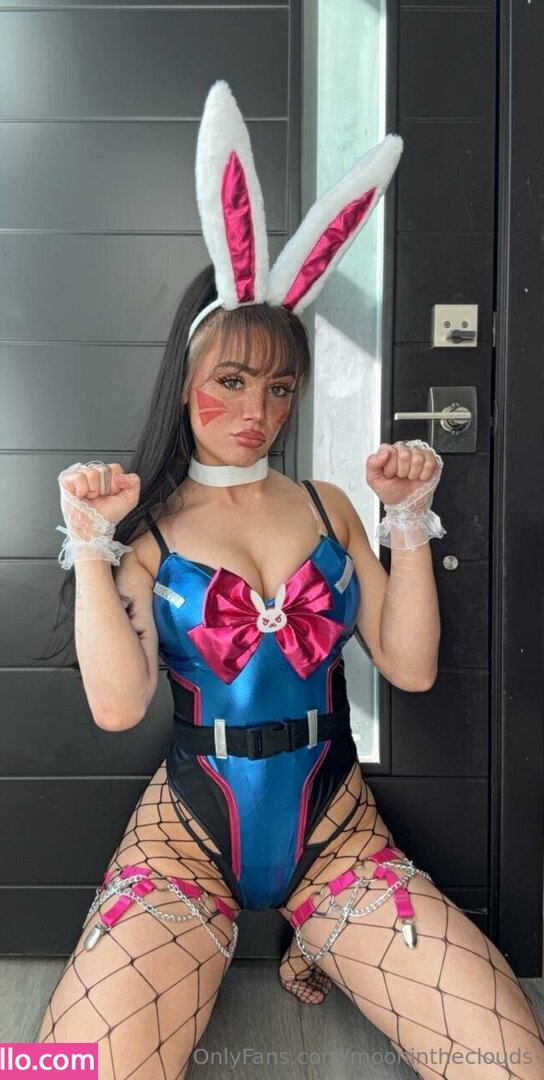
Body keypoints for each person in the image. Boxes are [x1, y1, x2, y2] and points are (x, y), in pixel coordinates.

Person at [36, 84, 544, 1078]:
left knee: (509, 1063)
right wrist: (91, 546)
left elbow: (407, 667)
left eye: (279, 387)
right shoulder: (149, 527)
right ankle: (247, 941)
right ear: (186, 381)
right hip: (183, 840)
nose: (256, 410)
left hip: (336, 835)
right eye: (231, 381)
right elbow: (117, 706)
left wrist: (406, 518)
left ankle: (315, 939)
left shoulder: (328, 505)